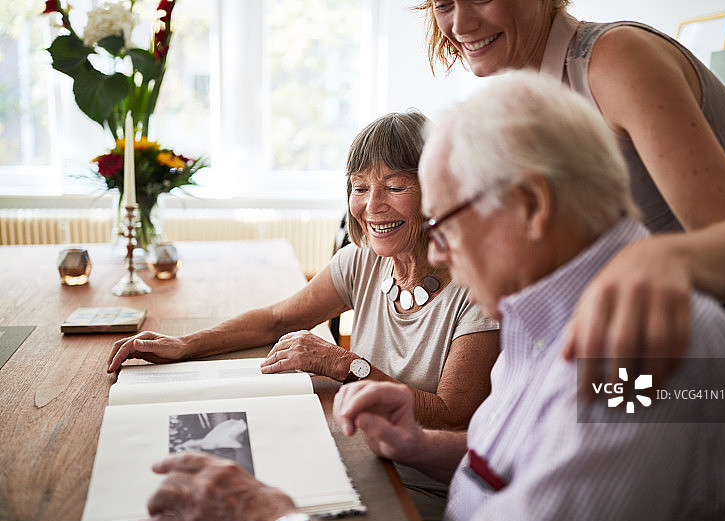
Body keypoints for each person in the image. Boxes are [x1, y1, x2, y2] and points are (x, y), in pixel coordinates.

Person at [135, 72, 725, 521]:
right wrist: (419, 444)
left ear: (529, 206)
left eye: (444, 222)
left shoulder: (633, 352)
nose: (435, 253)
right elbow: (512, 464)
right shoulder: (538, 311)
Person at [414, 0, 725, 391]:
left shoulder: (616, 58)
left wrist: (645, 261)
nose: (459, 23)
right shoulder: (526, 103)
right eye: (444, 4)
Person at [107, 111, 499, 431]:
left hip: (417, 487)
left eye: (395, 187)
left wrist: (344, 364)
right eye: (359, 188)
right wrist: (185, 345)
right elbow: (277, 319)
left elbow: (452, 415)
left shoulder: (477, 290)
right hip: (361, 444)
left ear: (436, 191)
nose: (371, 206)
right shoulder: (362, 261)